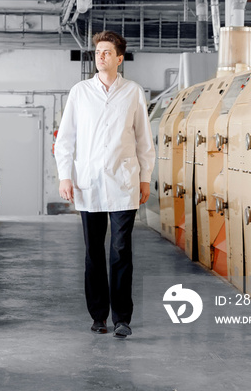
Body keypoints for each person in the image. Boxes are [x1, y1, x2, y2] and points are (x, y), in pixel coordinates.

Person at [54, 30, 155, 338]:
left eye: (107, 52)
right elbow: (65, 139)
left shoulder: (133, 92)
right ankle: (98, 316)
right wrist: (65, 176)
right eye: (98, 51)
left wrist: (145, 177)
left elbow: (143, 140)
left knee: (121, 251)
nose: (101, 56)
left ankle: (122, 318)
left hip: (124, 181)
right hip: (89, 182)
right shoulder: (80, 92)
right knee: (94, 252)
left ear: (119, 59)